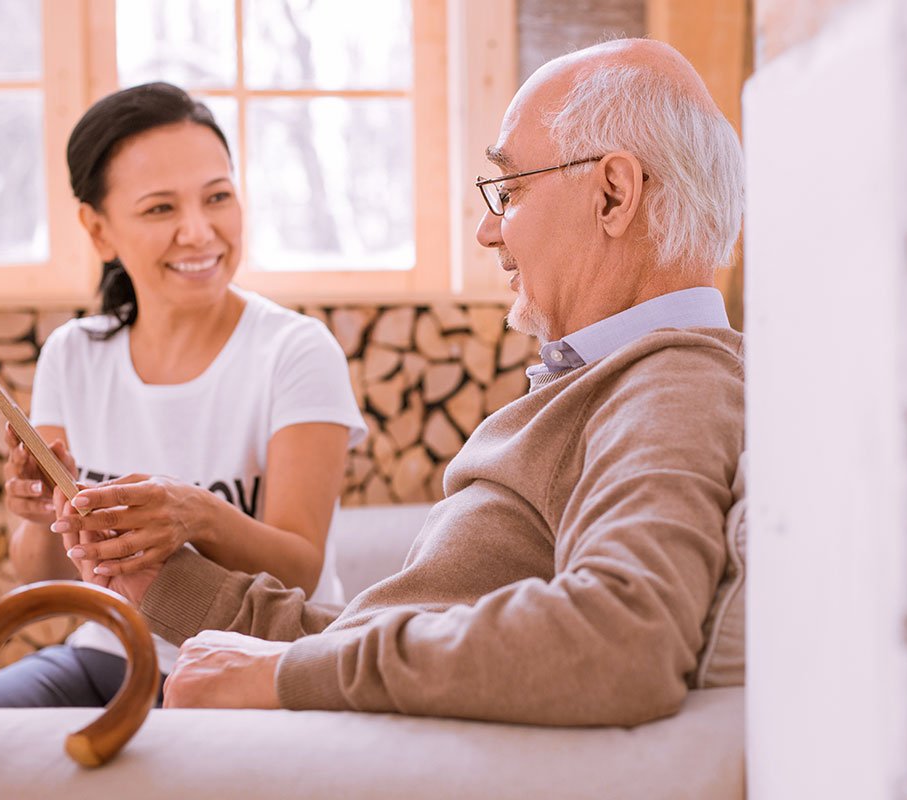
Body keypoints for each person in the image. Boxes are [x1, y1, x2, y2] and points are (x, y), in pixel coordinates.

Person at [62, 38, 745, 726]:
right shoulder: (617, 381)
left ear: (613, 194)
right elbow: (382, 637)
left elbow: (623, 642)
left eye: (508, 191)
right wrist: (162, 582)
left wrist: (283, 676)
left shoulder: (672, 382)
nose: (486, 231)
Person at [0, 83, 365, 710]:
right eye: (159, 210)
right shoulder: (73, 353)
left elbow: (301, 571)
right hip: (106, 654)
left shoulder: (296, 351)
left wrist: (197, 513)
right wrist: (44, 518)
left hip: (255, 663)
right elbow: (40, 576)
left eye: (218, 198)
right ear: (98, 230)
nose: (199, 232)